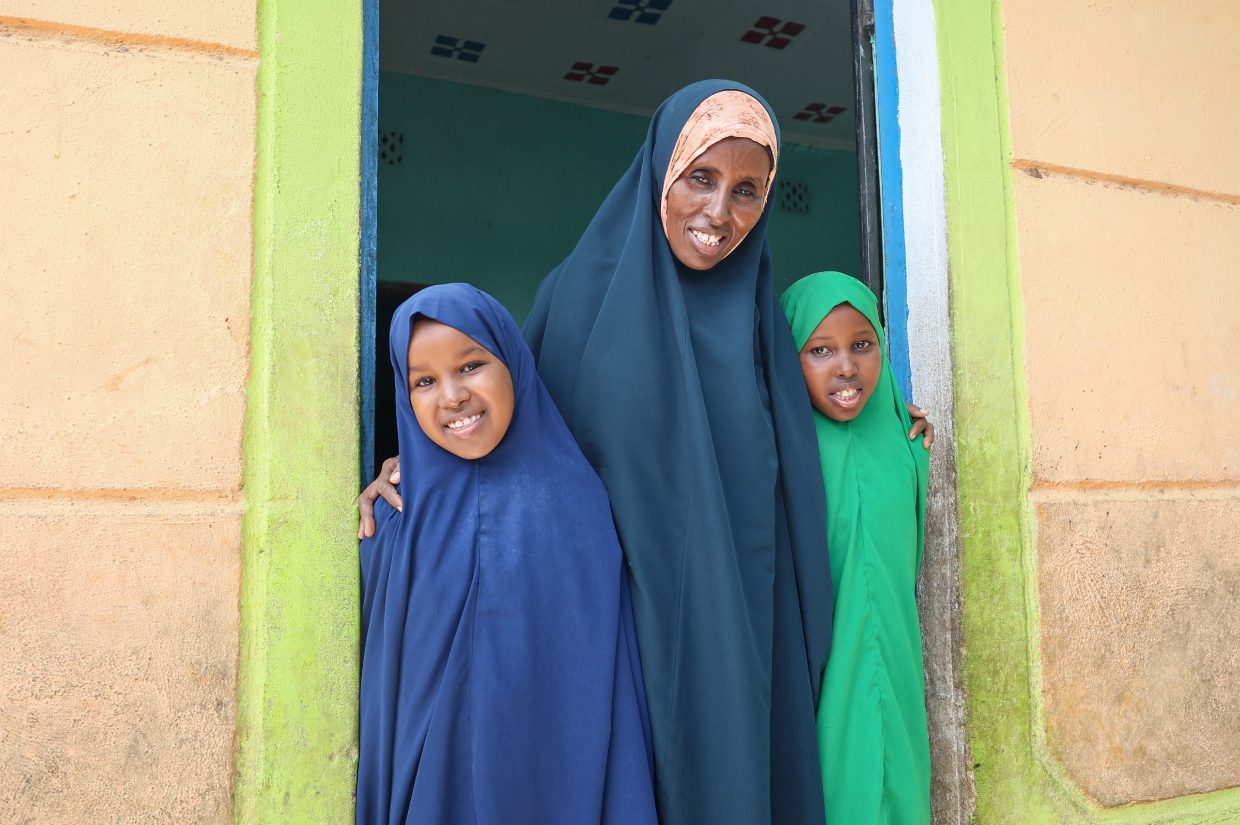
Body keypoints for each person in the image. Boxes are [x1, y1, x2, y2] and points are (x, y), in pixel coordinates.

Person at [359, 80, 933, 823]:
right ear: (661, 170)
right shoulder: (579, 301)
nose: (719, 212)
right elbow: (504, 429)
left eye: (748, 190)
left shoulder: (764, 332)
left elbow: (813, 455)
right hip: (603, 650)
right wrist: (407, 472)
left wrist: (891, 424)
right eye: (701, 177)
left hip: (731, 656)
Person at [356, 283, 657, 825]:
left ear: (513, 362)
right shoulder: (395, 518)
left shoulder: (579, 506)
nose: (451, 397)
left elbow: (610, 698)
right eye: (424, 380)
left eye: (471, 365)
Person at [781, 271, 932, 825]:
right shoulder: (781, 452)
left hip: (894, 655)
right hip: (820, 670)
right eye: (819, 350)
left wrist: (913, 447)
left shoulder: (904, 443)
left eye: (862, 345)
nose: (845, 366)